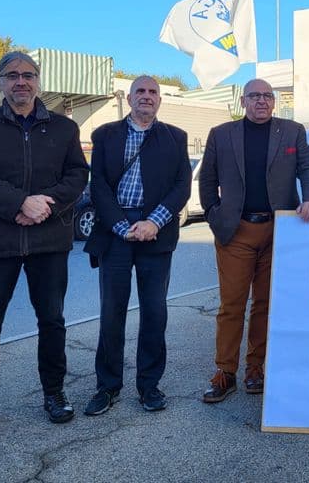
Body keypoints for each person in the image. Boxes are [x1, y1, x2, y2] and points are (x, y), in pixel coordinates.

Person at [0, 51, 89, 439]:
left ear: (38, 80)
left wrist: (41, 207)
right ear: (0, 81)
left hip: (48, 242)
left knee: (52, 321)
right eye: (12, 75)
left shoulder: (64, 128)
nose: (21, 82)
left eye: (28, 75)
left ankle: (54, 393)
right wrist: (18, 204)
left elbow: (77, 175)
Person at [199, 78, 309, 403]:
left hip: (279, 231)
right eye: (255, 96)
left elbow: (307, 167)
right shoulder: (221, 134)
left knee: (266, 305)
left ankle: (256, 368)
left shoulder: (292, 131)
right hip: (236, 232)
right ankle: (225, 372)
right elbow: (207, 179)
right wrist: (214, 214)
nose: (262, 101)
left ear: (274, 101)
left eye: (267, 96)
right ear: (243, 101)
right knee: (232, 305)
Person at [83, 76, 190, 415]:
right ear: (129, 98)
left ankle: (149, 385)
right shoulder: (105, 135)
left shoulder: (175, 137)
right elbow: (97, 185)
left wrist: (153, 222)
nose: (147, 96)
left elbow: (181, 187)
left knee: (155, 312)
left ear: (160, 100)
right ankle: (108, 386)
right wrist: (120, 226)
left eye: (153, 92)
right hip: (116, 234)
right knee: (112, 312)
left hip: (155, 234)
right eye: (140, 92)